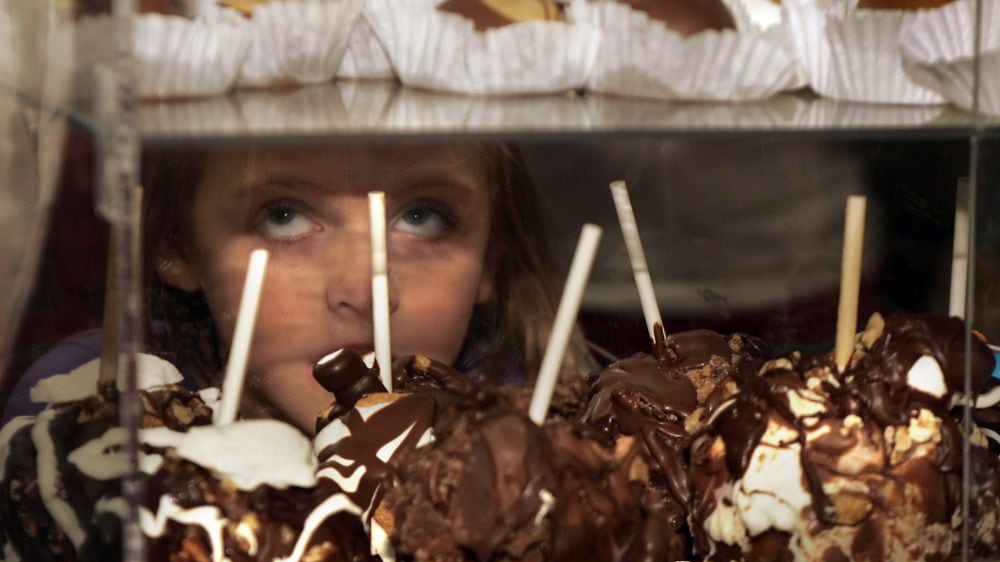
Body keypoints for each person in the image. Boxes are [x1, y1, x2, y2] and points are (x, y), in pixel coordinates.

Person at [3, 141, 595, 433]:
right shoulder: (95, 409)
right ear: (176, 245)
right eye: (283, 216)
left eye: (422, 217)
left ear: (490, 259)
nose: (365, 292)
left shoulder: (534, 426)